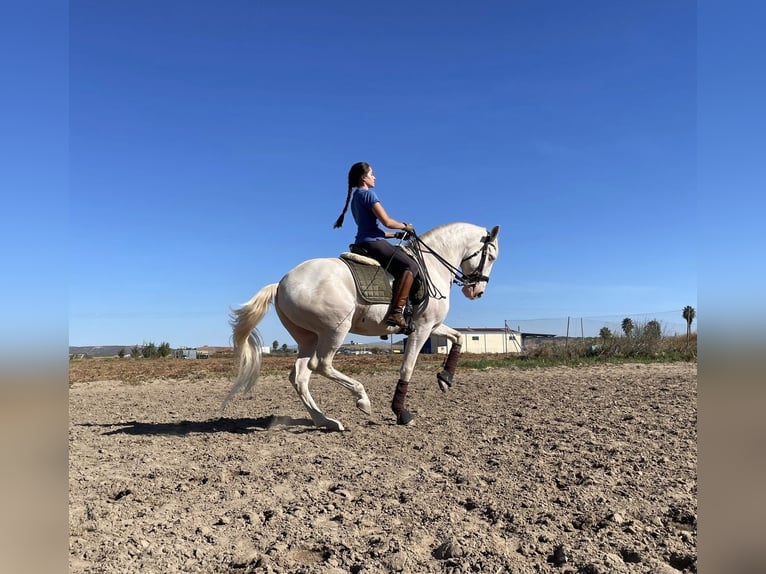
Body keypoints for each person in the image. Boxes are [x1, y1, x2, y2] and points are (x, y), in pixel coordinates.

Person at [333, 162, 418, 331]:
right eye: (372, 174)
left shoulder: (356, 198)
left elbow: (371, 229)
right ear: (364, 178)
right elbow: (387, 221)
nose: (375, 177)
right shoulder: (369, 195)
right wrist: (404, 226)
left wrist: (394, 235)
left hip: (364, 241)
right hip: (373, 243)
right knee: (411, 265)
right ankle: (396, 312)